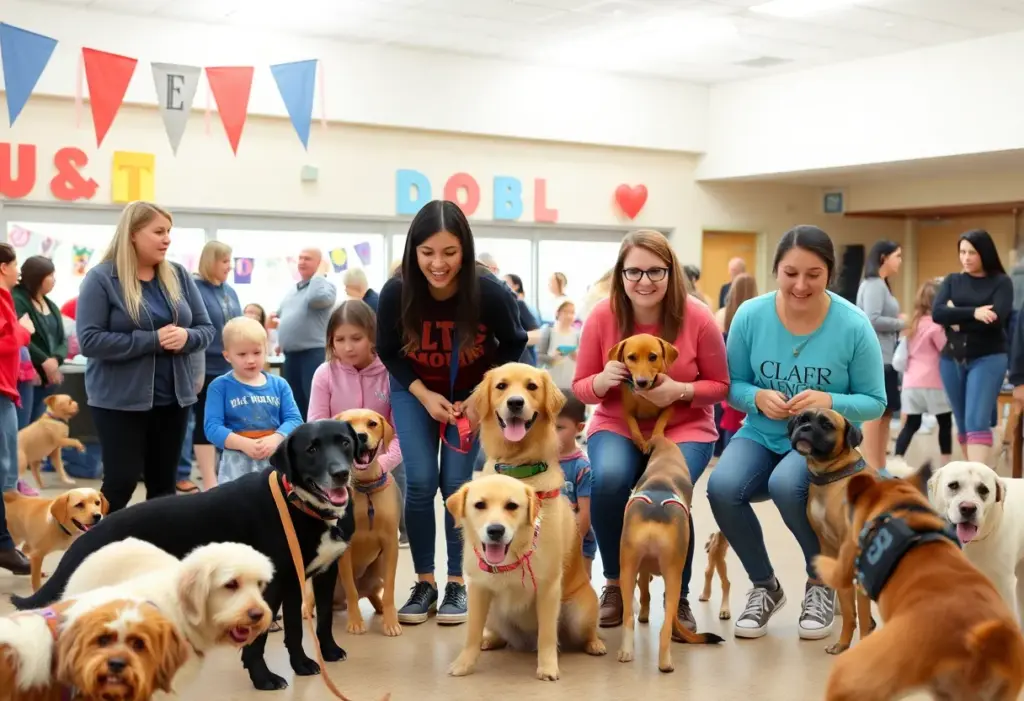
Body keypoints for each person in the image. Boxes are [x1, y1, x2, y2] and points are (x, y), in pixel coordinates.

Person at [706, 225, 886, 641]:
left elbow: (874, 401)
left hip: (820, 445)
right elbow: (730, 384)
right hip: (761, 432)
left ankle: (821, 583)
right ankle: (765, 587)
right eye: (790, 273)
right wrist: (756, 397)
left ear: (829, 274)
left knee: (788, 484)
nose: (800, 285)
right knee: (722, 487)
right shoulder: (750, 314)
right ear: (775, 271)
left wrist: (829, 401)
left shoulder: (853, 326)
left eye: (813, 274)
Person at [376, 199, 527, 626]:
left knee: (458, 485)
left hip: (469, 398)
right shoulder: (396, 291)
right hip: (415, 392)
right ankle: (425, 582)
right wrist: (423, 394)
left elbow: (514, 342)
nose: (438, 264)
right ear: (413, 252)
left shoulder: (489, 292)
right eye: (427, 253)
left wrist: (484, 395)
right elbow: (388, 351)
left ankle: (458, 583)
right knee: (421, 482)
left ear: (466, 250)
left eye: (449, 252)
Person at [571, 229, 728, 632]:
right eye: (634, 272)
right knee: (608, 480)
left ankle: (681, 596)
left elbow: (721, 386)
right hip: (615, 422)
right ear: (620, 274)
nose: (644, 281)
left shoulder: (698, 317)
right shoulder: (602, 317)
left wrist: (681, 390)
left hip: (685, 425)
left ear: (671, 272)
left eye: (655, 271)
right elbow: (581, 387)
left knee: (670, 492)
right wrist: (602, 381)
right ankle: (614, 585)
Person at [76, 201, 214, 513]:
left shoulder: (178, 274)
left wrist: (187, 337)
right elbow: (89, 340)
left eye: (169, 232)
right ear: (134, 234)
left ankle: (157, 554)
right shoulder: (101, 279)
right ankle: (91, 552)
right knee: (121, 482)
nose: (167, 239)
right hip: (118, 402)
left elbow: (206, 328)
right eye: (159, 232)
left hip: (173, 400)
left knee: (164, 486)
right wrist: (151, 341)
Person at [308, 300, 408, 545]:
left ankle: (404, 526)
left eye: (356, 338)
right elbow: (316, 426)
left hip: (386, 464)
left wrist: (381, 465)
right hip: (340, 465)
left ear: (373, 336)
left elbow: (402, 433)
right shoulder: (325, 373)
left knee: (394, 521)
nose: (348, 347)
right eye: (339, 340)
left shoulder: (391, 372)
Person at [933, 229, 1013, 464]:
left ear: (985, 254)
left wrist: (956, 317)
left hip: (989, 357)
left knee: (977, 420)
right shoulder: (952, 280)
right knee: (963, 422)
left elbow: (997, 318)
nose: (966, 258)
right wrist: (975, 313)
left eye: (972, 253)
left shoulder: (1001, 282)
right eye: (962, 252)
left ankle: (980, 477)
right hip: (951, 359)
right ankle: (972, 476)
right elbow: (938, 313)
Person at [203, 316, 302, 483]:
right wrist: (243, 444)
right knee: (237, 505)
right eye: (242, 354)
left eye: (256, 352)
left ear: (266, 349)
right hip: (236, 462)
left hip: (275, 458)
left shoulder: (280, 385)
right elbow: (212, 428)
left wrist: (276, 438)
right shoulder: (219, 386)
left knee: (274, 504)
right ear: (227, 356)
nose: (250, 360)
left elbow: (294, 419)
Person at [190, 241, 242, 490]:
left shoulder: (229, 291)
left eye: (230, 262)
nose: (229, 267)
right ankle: (209, 481)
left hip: (230, 367)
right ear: (211, 262)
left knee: (228, 422)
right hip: (206, 368)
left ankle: (226, 475)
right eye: (224, 262)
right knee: (205, 422)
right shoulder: (195, 289)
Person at [855, 240, 904, 469]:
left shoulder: (882, 284)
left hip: (887, 356)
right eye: (898, 256)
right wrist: (900, 322)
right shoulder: (874, 284)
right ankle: (872, 466)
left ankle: (880, 465)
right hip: (877, 358)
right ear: (884, 258)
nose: (900, 261)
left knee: (886, 413)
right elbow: (871, 319)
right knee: (875, 414)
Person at [273, 248, 337, 420]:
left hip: (313, 355)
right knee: (293, 404)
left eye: (307, 259)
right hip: (291, 357)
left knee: (314, 404)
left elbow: (316, 299)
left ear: (320, 264)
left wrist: (320, 274)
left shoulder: (325, 287)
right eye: (300, 258)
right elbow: (281, 315)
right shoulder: (293, 290)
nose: (301, 262)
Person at [894, 280, 952, 463]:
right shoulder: (936, 326)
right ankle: (945, 463)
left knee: (911, 424)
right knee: (945, 422)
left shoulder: (912, 325)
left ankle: (897, 459)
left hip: (911, 383)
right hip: (934, 382)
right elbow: (945, 348)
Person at [0, 242, 32, 574]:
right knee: (4, 473)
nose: (18, 269)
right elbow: (6, 341)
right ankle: (4, 545)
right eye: (15, 263)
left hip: (6, 390)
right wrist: (21, 335)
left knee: (7, 472)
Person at [12, 256, 67, 427]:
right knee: (22, 427)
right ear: (37, 277)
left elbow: (62, 339)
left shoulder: (51, 305)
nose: (54, 280)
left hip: (48, 377)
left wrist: (55, 360)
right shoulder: (17, 299)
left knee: (37, 426)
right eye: (50, 275)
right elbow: (21, 336)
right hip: (25, 375)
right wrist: (43, 361)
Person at [716, 273, 758, 450]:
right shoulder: (757, 315)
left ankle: (726, 454)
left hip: (728, 373)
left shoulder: (722, 315)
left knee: (730, 421)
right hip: (751, 376)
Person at [556, 390, 596, 578]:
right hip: (548, 538)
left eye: (559, 428)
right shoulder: (539, 461)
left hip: (578, 540)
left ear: (579, 428)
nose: (550, 433)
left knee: (579, 582)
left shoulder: (582, 467)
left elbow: (585, 514)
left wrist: (572, 545)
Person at [477, 256, 539, 365]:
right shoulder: (472, 306)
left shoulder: (517, 303)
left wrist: (515, 337)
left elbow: (536, 334)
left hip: (517, 364)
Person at [537, 299, 580, 388]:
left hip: (570, 384)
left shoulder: (577, 334)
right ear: (558, 313)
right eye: (565, 311)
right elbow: (539, 356)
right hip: (551, 383)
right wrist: (552, 359)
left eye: (572, 312)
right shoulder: (549, 331)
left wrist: (576, 357)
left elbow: (582, 360)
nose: (569, 316)